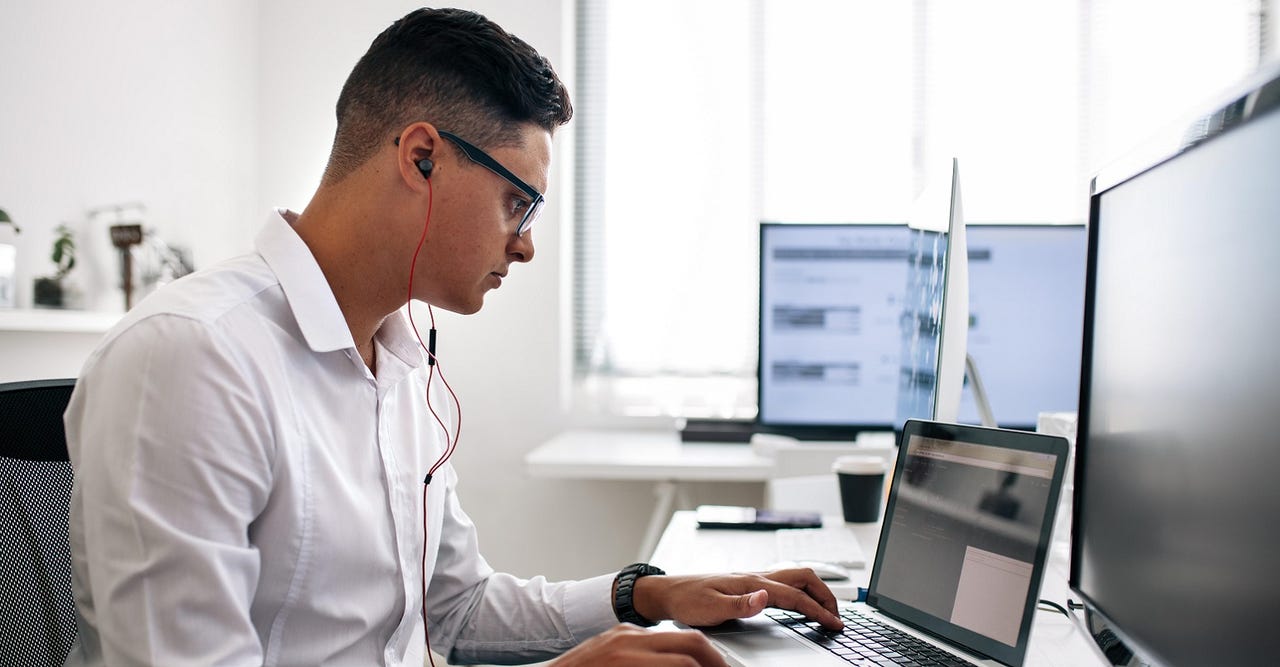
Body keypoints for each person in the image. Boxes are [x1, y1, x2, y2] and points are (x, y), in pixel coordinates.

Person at [63, 7, 843, 666]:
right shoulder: (191, 358)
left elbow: (459, 606)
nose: (527, 244)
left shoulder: (400, 361)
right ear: (423, 156)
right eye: (518, 204)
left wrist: (640, 593)